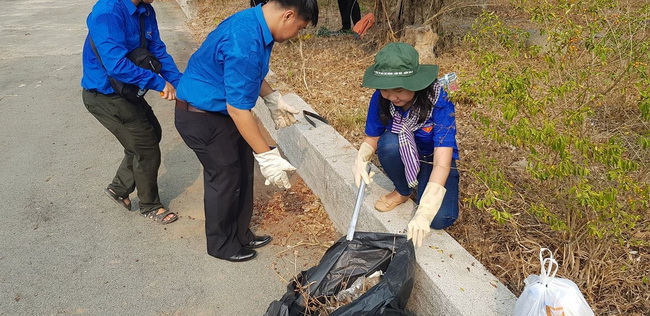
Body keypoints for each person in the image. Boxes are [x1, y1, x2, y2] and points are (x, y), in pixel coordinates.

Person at [174, 0, 319, 262]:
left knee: (242, 172)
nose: (297, 34)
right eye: (299, 28)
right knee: (225, 180)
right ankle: (221, 245)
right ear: (288, 15)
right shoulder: (244, 41)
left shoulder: (255, 23)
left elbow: (250, 74)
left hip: (219, 112)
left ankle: (240, 233)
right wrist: (267, 156)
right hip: (202, 117)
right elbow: (239, 110)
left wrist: (273, 98)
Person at [81, 0, 182, 224]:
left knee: (152, 132)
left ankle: (119, 188)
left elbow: (157, 50)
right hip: (106, 96)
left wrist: (179, 83)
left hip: (128, 92)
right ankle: (150, 206)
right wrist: (158, 82)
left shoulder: (146, 10)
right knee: (146, 147)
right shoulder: (107, 13)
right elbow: (115, 65)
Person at [354, 43, 460, 247]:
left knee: (439, 219)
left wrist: (425, 211)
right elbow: (373, 137)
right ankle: (403, 190)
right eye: (386, 90)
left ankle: (422, 181)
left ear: (415, 84)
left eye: (399, 90)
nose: (392, 97)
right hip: (403, 152)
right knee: (388, 143)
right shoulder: (381, 99)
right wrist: (361, 157)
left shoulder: (439, 100)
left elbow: (442, 161)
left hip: (433, 159)